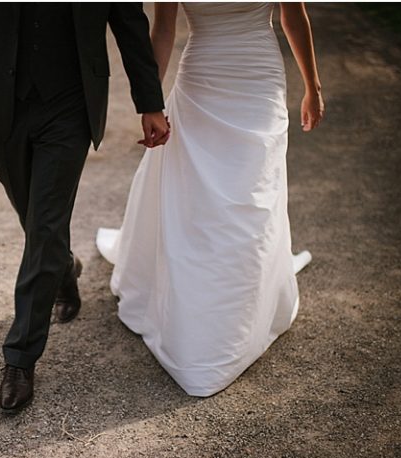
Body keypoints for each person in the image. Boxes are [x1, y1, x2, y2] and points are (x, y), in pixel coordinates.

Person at [0, 3, 170, 412]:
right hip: (5, 100)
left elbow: (129, 22)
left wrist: (150, 102)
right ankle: (62, 265)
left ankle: (19, 358)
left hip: (72, 104)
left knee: (44, 223)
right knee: (36, 219)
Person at [96, 2, 324, 396]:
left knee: (252, 194)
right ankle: (207, 324)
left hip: (258, 81)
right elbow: (163, 28)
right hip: (204, 80)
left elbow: (293, 15)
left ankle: (237, 311)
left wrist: (312, 85)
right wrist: (150, 102)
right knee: (201, 198)